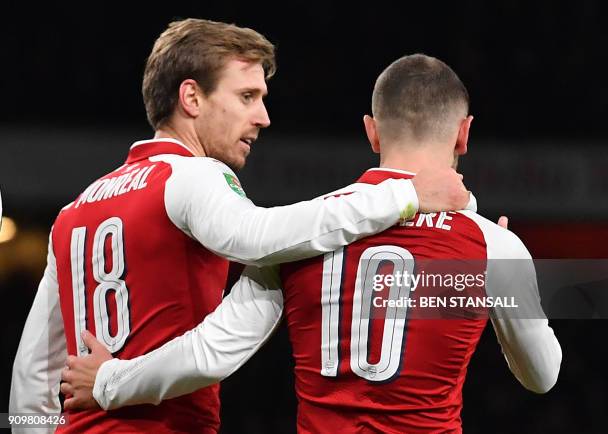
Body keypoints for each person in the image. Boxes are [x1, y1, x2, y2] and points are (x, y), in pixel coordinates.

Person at [9, 19, 469, 434]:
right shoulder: (192, 176)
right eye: (247, 97)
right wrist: (402, 195)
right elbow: (260, 238)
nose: (263, 117)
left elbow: (32, 374)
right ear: (191, 98)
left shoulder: (73, 213)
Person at [60, 54, 561, 432]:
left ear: (371, 132)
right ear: (464, 134)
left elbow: (214, 351)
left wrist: (109, 381)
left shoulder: (300, 235)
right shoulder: (494, 246)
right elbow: (543, 377)